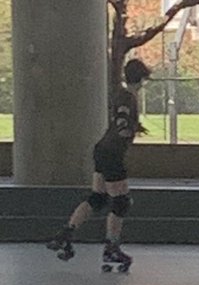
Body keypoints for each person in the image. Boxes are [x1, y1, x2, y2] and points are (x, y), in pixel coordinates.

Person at [47, 57, 152, 272]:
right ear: (140, 79)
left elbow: (120, 119)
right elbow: (122, 120)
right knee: (121, 202)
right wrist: (128, 130)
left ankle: (66, 233)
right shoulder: (128, 97)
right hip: (113, 153)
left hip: (102, 149)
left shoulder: (121, 94)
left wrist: (135, 127)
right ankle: (111, 247)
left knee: (98, 197)